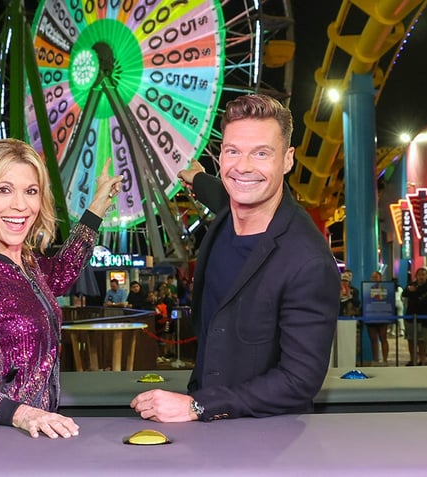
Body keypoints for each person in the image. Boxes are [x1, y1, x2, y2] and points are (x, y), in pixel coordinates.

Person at [130, 94, 339, 422]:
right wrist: (196, 178)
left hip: (266, 441)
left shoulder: (307, 261)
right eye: (232, 151)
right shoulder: (229, 208)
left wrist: (196, 406)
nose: (243, 167)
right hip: (206, 436)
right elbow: (219, 190)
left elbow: (299, 380)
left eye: (261, 153)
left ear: (287, 160)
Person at [0, 138, 122, 438]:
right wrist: (20, 413)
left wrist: (96, 208)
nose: (20, 205)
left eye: (30, 191)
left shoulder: (25, 263)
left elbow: (62, 272)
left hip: (38, 437)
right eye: (4, 190)